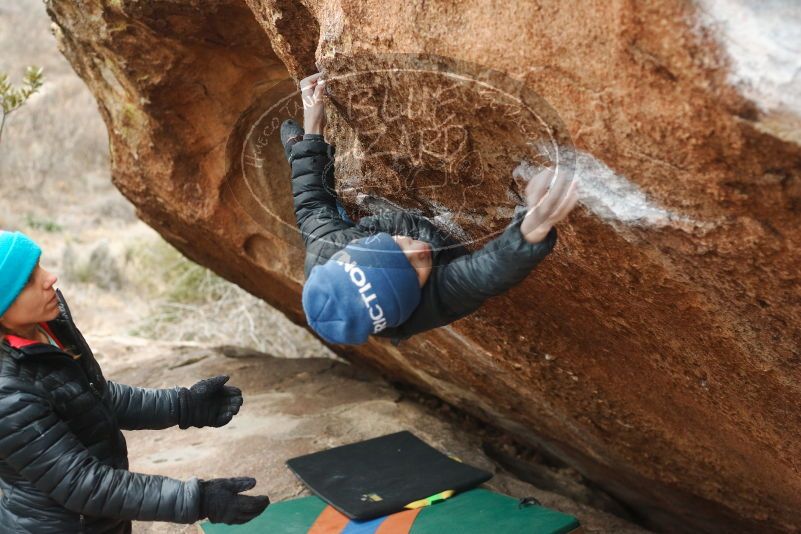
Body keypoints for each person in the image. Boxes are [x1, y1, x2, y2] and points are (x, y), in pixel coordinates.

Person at [280, 71, 579, 346]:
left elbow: (310, 200)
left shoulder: (328, 245)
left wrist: (312, 128)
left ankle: (297, 150)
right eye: (414, 271)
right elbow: (483, 274)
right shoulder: (426, 305)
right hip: (442, 260)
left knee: (325, 199)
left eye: (392, 250)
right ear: (412, 298)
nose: (418, 253)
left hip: (345, 239)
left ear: (360, 244)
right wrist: (531, 227)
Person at [0, 231, 270, 533]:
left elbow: (95, 397)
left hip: (102, 520)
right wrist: (199, 499)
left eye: (39, 266)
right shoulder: (7, 392)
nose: (49, 278)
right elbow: (81, 484)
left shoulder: (47, 325)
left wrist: (184, 405)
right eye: (27, 281)